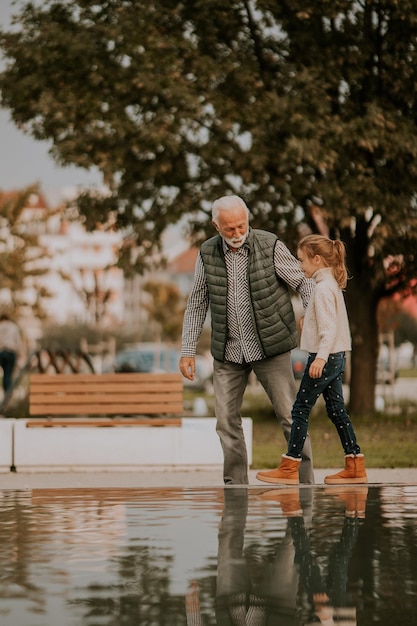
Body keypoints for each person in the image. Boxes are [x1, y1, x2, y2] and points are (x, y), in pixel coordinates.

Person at [179, 194, 315, 485]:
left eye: (242, 226)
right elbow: (197, 302)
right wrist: (187, 350)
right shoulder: (207, 253)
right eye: (230, 229)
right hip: (228, 351)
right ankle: (235, 488)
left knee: (291, 418)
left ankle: (306, 485)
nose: (238, 233)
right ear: (216, 226)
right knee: (226, 422)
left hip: (271, 347)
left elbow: (304, 282)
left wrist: (313, 316)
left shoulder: (270, 245)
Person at [256, 234, 367, 486]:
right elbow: (328, 323)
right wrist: (309, 318)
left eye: (301, 260)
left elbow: (328, 332)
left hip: (324, 357)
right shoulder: (329, 286)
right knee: (336, 410)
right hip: (336, 356)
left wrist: (319, 359)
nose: (299, 265)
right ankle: (355, 464)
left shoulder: (323, 289)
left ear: (317, 260)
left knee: (299, 410)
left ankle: (290, 466)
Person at [0, 313, 23, 393]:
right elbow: (18, 342)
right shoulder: (14, 327)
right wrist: (20, 354)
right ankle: (7, 395)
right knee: (8, 374)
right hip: (11, 352)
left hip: (1, 352)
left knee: (5, 374)